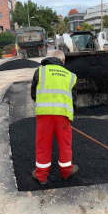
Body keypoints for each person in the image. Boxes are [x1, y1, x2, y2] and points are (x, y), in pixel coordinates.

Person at [31, 51, 78, 184]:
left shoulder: (39, 72)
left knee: (42, 145)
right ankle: (66, 173)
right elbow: (74, 99)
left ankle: (42, 177)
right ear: (62, 61)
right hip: (63, 116)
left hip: (44, 116)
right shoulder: (70, 75)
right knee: (65, 145)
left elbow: (33, 95)